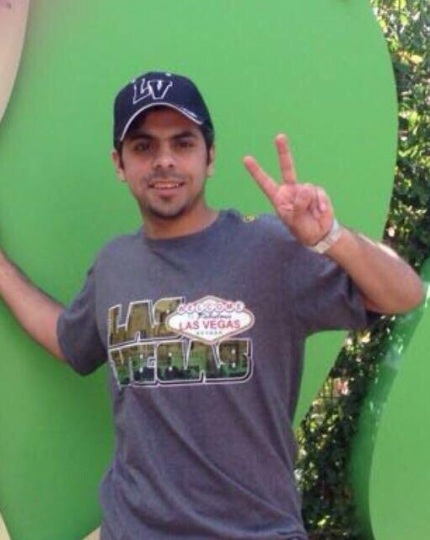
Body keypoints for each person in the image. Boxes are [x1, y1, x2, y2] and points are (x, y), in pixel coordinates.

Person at [0, 71, 424, 540]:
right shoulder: (114, 265)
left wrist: (331, 237)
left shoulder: (271, 249)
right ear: (120, 163)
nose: (164, 160)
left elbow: (404, 295)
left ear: (210, 157)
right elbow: (69, 340)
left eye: (182, 143)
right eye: (143, 147)